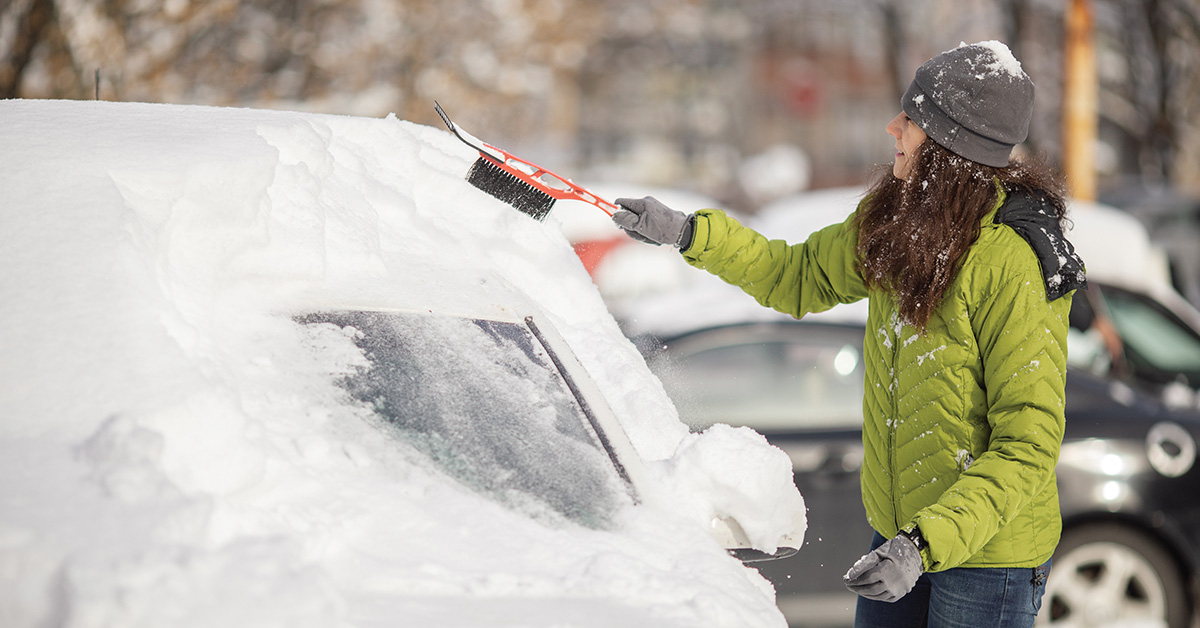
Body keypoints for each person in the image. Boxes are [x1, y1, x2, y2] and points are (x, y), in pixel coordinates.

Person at [612, 41, 1086, 628]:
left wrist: (924, 543)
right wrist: (688, 234)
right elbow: (797, 276)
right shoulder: (895, 220)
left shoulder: (1011, 263)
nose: (893, 127)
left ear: (948, 147)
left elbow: (1028, 446)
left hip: (986, 560)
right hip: (898, 540)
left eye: (911, 120)